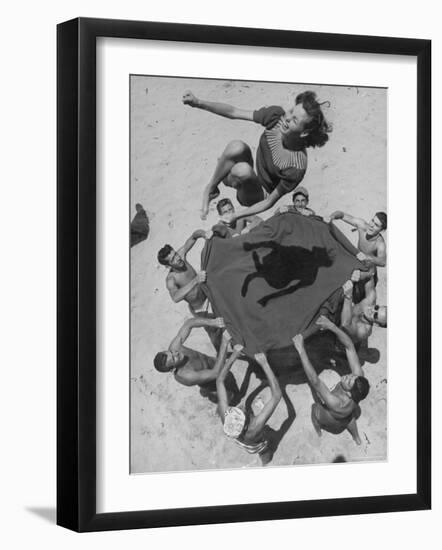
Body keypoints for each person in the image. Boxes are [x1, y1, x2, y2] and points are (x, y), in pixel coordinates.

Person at [183, 89, 331, 221]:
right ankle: (211, 189)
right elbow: (234, 112)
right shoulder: (276, 117)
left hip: (258, 195)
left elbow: (269, 202)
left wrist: (237, 215)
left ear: (304, 132)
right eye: (291, 111)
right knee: (237, 146)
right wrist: (198, 103)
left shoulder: (296, 167)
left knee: (242, 170)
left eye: (295, 120)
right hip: (254, 169)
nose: (287, 118)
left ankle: (230, 176)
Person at [293, 316, 370, 445]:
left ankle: (318, 431)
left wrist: (301, 350)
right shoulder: (358, 379)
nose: (348, 376)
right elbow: (350, 347)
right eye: (352, 376)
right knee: (349, 418)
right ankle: (356, 438)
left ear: (349, 394)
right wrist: (332, 326)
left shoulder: (336, 403)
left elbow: (315, 381)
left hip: (332, 418)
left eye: (349, 381)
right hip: (348, 413)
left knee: (315, 409)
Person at [217, 344, 282, 454]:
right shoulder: (254, 428)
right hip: (254, 443)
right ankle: (267, 453)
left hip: (239, 437)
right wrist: (265, 364)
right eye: (242, 413)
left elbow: (219, 381)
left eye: (237, 410)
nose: (240, 407)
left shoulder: (226, 417)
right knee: (265, 441)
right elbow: (277, 395)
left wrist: (234, 355)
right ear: (246, 424)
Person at [153, 317, 228, 396]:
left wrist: (212, 322)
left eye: (171, 352)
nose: (176, 353)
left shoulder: (175, 347)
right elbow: (215, 373)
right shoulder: (187, 376)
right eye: (174, 358)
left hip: (213, 363)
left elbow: (189, 324)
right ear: (173, 369)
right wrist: (224, 344)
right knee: (229, 391)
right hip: (213, 380)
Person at [157, 229, 211, 314]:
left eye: (175, 254)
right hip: (201, 308)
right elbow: (175, 297)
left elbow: (194, 236)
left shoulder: (181, 255)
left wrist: (204, 234)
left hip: (208, 293)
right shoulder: (171, 279)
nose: (178, 258)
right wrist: (195, 280)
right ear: (168, 266)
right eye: (173, 259)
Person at [340, 278, 387, 345]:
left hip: (336, 339)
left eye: (375, 315)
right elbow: (370, 274)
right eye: (376, 307)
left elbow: (345, 324)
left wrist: (348, 296)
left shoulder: (363, 331)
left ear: (376, 324)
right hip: (342, 312)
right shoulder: (370, 300)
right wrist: (359, 274)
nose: (372, 310)